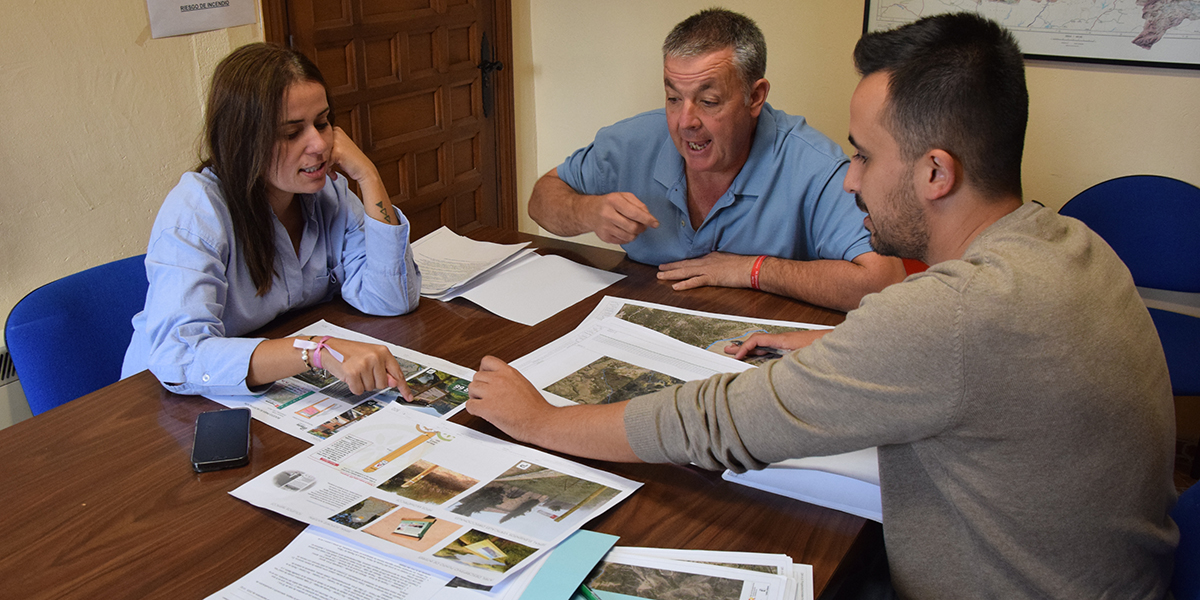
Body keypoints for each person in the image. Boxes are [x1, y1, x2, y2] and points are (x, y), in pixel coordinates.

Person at [467, 13, 1178, 599]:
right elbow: (969, 367)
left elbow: (717, 423)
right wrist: (848, 352)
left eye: (864, 156)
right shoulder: (1069, 243)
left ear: (935, 172)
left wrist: (543, 420)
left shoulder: (953, 316)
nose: (850, 182)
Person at [529, 8, 904, 312]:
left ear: (755, 97)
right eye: (674, 98)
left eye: (709, 102)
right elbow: (542, 198)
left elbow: (883, 283)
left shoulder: (814, 165)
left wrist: (753, 269)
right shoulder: (634, 140)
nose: (685, 122)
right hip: (640, 321)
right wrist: (587, 212)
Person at [122, 43, 421, 398]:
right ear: (244, 141)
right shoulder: (196, 211)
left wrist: (369, 176)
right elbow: (180, 357)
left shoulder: (328, 192)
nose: (319, 145)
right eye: (292, 133)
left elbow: (391, 299)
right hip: (162, 402)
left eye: (323, 123)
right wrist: (313, 350)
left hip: (266, 381)